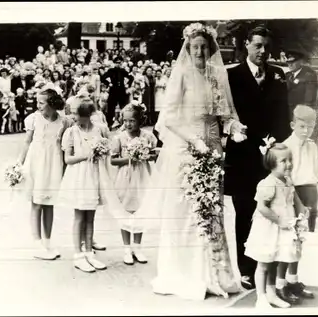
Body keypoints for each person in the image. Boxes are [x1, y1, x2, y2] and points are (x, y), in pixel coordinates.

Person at [138, 22, 247, 300]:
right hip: (188, 150)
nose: (199, 51)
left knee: (213, 210)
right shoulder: (182, 75)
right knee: (187, 213)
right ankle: (186, 274)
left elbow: (226, 112)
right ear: (188, 48)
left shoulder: (216, 75)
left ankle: (214, 275)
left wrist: (234, 128)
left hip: (213, 149)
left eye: (204, 46)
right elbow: (169, 119)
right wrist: (193, 141)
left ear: (211, 48)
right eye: (194, 47)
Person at [224, 26, 292, 289]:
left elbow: (283, 116)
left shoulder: (278, 75)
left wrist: (275, 140)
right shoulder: (233, 76)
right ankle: (246, 269)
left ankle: (268, 265)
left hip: (270, 158)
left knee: (272, 209)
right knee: (245, 212)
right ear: (246, 46)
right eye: (257, 46)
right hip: (242, 157)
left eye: (266, 46)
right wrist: (241, 134)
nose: (263, 51)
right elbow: (227, 116)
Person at [57, 98, 123, 272]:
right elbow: (68, 159)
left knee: (90, 216)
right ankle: (78, 255)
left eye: (77, 116)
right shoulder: (71, 132)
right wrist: (86, 155)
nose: (74, 119)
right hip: (78, 176)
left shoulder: (99, 130)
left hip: (94, 175)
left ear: (87, 116)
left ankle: (89, 252)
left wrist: (101, 151)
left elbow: (109, 147)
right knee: (79, 216)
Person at [244, 142, 309, 308]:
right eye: (283, 161)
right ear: (271, 164)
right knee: (264, 263)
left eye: (290, 159)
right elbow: (261, 207)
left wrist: (302, 212)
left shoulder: (287, 180)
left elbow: (296, 199)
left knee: (275, 260)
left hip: (284, 227)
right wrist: (279, 220)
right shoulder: (268, 183)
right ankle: (261, 297)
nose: (289, 164)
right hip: (269, 228)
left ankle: (272, 293)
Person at [16, 87, 69, 260]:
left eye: (41, 102)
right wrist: (19, 163)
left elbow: (63, 147)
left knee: (49, 203)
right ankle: (36, 242)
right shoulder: (33, 119)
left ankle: (47, 241)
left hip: (53, 164)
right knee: (36, 203)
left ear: (52, 104)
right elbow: (26, 142)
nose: (37, 105)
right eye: (37, 102)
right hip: (36, 163)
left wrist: (64, 169)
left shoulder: (64, 122)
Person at [278, 105, 318, 301]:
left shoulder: (312, 145)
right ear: (292, 125)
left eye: (310, 127)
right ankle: (280, 285)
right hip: (293, 196)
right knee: (288, 242)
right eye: (302, 126)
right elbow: (286, 180)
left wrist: (313, 203)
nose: (306, 131)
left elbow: (313, 175)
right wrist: (297, 203)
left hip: (309, 193)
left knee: (299, 241)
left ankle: (293, 281)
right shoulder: (286, 146)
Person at [110, 103, 158, 265]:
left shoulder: (147, 137)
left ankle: (137, 246)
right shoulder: (119, 138)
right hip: (125, 177)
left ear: (140, 120)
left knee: (140, 210)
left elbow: (153, 155)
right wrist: (129, 158)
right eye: (126, 121)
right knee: (126, 211)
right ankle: (126, 248)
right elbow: (113, 160)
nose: (129, 124)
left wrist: (145, 155)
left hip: (142, 176)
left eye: (132, 121)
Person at [101, 56, 134, 128]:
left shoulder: (123, 71)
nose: (118, 64)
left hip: (121, 91)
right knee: (110, 108)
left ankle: (124, 124)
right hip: (113, 91)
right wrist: (108, 83)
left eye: (120, 63)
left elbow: (131, 77)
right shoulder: (111, 70)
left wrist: (127, 84)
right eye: (117, 63)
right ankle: (109, 124)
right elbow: (102, 77)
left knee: (124, 108)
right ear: (114, 63)